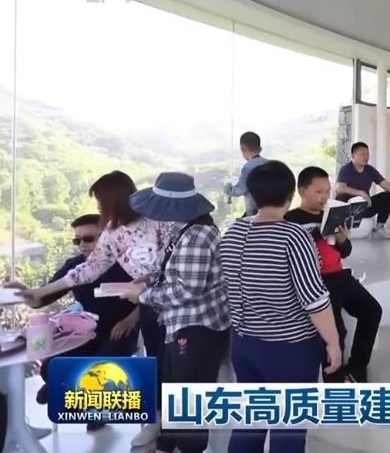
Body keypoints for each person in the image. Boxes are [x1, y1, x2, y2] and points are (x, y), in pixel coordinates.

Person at [15, 171, 179, 449]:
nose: (101, 210)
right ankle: (152, 426)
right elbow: (86, 271)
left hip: (174, 306)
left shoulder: (159, 224)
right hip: (147, 310)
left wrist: (136, 309)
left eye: (102, 203)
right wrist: (38, 293)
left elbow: (174, 264)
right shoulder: (112, 235)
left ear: (115, 200)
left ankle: (174, 433)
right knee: (160, 368)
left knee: (173, 370)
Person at [219, 160, 342, 453]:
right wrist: (333, 342)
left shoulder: (233, 232)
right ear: (290, 194)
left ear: (252, 194)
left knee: (249, 424)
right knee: (288, 432)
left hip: (244, 344)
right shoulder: (293, 236)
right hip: (290, 350)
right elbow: (314, 300)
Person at [124, 172, 231, 453]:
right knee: (175, 391)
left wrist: (143, 295)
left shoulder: (197, 236)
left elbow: (188, 290)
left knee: (189, 398)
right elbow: (175, 270)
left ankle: (188, 447)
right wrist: (150, 279)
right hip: (180, 324)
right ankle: (167, 443)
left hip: (198, 327)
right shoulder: (184, 228)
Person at [5, 214, 140, 431]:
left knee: (101, 365)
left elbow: (150, 297)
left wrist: (130, 320)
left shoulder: (129, 263)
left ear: (106, 237)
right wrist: (24, 291)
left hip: (122, 328)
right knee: (50, 366)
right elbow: (41, 299)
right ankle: (61, 387)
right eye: (77, 240)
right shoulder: (75, 267)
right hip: (85, 330)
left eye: (89, 238)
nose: (82, 245)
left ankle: (95, 409)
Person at [286, 166, 382, 383]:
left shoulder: (333, 214)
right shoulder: (291, 220)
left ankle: (357, 368)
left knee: (372, 310)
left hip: (340, 276)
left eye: (328, 191)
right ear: (302, 191)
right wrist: (317, 235)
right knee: (335, 332)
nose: (324, 196)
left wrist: (341, 239)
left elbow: (345, 251)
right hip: (316, 282)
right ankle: (334, 385)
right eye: (319, 191)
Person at [335, 142, 390, 240]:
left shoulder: (370, 170)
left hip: (364, 207)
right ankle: (340, 230)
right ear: (353, 156)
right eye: (362, 154)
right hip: (349, 210)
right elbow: (340, 188)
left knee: (389, 196)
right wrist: (361, 193)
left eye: (367, 154)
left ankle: (379, 228)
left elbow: (385, 183)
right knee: (340, 196)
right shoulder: (345, 169)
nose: (366, 157)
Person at [226, 131, 269, 217]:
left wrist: (229, 189)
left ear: (243, 149)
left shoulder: (247, 168)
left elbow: (241, 189)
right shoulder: (269, 164)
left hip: (254, 210)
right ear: (260, 149)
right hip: (270, 208)